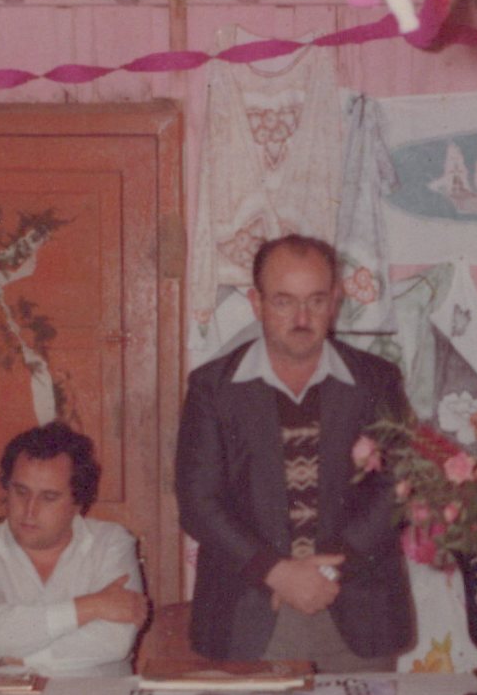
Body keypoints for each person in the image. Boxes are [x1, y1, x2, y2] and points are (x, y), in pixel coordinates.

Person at [175, 234, 412, 670]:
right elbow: (198, 503)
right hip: (251, 616)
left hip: (357, 611)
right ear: (257, 302)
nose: (302, 318)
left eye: (316, 301)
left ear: (335, 301)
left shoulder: (376, 381)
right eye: (284, 301)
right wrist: (277, 572)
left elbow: (395, 489)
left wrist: (326, 572)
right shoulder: (213, 388)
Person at [0, 421, 148, 677]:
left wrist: (3, 659)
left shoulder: (111, 543)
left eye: (49, 497)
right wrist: (90, 606)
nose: (29, 510)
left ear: (78, 503)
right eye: (21, 492)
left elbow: (114, 641)